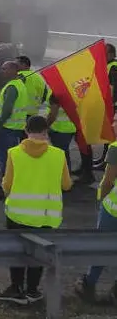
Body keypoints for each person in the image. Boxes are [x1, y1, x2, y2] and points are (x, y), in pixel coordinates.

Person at [0, 116, 71, 305]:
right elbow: (66, 185)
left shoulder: (14, 153)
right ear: (46, 132)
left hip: (17, 213)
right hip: (46, 215)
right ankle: (32, 290)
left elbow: (7, 184)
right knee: (39, 254)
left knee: (17, 252)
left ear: (26, 131)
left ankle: (16, 288)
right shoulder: (58, 154)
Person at [75, 127, 117, 303]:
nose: (112, 124)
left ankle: (89, 284)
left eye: (116, 120)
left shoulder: (115, 147)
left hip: (113, 209)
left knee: (101, 246)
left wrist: (101, 201)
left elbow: (107, 181)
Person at [0, 61, 29, 200]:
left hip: (7, 129)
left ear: (13, 70)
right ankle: (11, 185)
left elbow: (7, 109)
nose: (2, 71)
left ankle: (4, 189)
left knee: (5, 161)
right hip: (15, 129)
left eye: (5, 68)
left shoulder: (12, 87)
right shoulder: (19, 84)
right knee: (11, 160)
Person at [45, 93, 79, 178]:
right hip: (71, 127)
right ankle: (66, 177)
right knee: (64, 154)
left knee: (60, 155)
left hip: (59, 129)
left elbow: (53, 114)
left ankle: (64, 178)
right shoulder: (71, 91)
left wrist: (45, 126)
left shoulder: (56, 94)